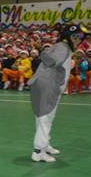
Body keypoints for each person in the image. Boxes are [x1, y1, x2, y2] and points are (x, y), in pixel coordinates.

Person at [28, 25, 85, 163]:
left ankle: (45, 144)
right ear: (68, 37)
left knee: (45, 117)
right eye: (76, 37)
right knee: (45, 118)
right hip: (48, 85)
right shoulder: (63, 48)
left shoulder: (61, 47)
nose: (78, 40)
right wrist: (40, 50)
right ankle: (39, 151)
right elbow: (51, 62)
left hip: (47, 84)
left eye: (80, 37)